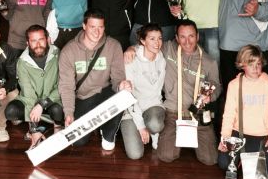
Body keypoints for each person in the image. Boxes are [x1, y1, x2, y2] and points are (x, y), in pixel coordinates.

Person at [58, 9, 132, 149]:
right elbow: (66, 86)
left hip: (105, 92)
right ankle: (97, 122)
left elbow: (118, 77)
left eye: (100, 27)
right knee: (78, 142)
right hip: (83, 97)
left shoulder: (113, 45)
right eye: (92, 27)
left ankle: (108, 133)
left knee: (124, 94)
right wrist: (69, 113)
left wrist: (121, 85)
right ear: (84, 26)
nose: (97, 32)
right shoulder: (69, 51)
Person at [158, 19, 221, 165]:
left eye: (191, 36)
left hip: (198, 113)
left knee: (210, 159)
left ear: (197, 36)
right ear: (176, 38)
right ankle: (181, 140)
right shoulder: (168, 49)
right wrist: (131, 50)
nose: (187, 41)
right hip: (173, 113)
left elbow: (217, 86)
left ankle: (196, 140)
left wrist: (210, 96)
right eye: (183, 37)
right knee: (166, 156)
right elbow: (149, 45)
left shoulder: (209, 62)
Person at [218, 45, 268, 179]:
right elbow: (229, 114)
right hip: (238, 134)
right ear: (242, 65)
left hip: (261, 137)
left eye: (258, 64)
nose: (255, 68)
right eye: (251, 64)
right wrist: (225, 138)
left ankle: (244, 160)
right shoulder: (234, 85)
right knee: (224, 164)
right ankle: (241, 160)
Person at [5, 25, 63, 149]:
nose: (38, 44)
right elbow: (28, 95)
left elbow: (62, 85)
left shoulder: (58, 54)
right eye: (33, 41)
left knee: (57, 110)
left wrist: (42, 104)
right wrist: (34, 130)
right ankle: (38, 128)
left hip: (53, 99)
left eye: (41, 39)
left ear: (48, 39)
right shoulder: (22, 62)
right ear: (28, 43)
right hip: (31, 101)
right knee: (11, 111)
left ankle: (58, 128)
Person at [122, 23, 166, 159]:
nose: (157, 43)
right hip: (131, 110)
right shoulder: (131, 59)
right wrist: (141, 126)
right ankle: (143, 128)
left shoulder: (161, 59)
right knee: (135, 155)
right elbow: (128, 96)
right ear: (142, 41)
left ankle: (153, 132)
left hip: (152, 105)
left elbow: (158, 92)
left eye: (159, 38)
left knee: (155, 124)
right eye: (152, 38)